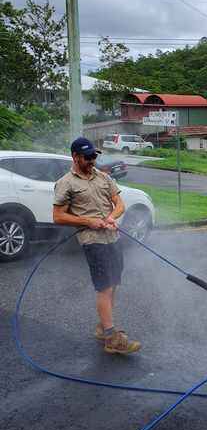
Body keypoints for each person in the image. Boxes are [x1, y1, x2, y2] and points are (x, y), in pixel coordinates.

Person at [53, 137, 141, 354]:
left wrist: (112, 217)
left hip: (112, 237)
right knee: (105, 286)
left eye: (94, 156)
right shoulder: (66, 183)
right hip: (92, 240)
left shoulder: (103, 177)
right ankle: (111, 338)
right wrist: (88, 221)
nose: (92, 160)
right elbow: (58, 216)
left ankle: (103, 326)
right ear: (75, 157)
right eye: (87, 157)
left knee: (114, 282)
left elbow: (119, 203)